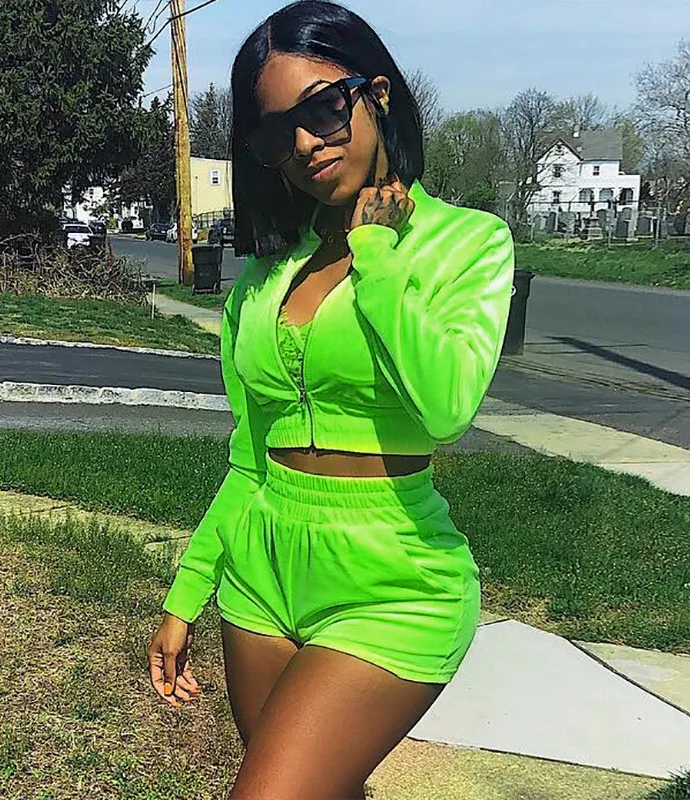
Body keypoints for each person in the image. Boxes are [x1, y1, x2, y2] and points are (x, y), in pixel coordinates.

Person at [148, 2, 514, 797]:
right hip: (261, 573)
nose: (307, 144)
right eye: (278, 135)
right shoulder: (265, 277)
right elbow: (251, 459)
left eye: (322, 110)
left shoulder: (468, 243)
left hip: (392, 582)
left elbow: (446, 407)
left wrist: (374, 252)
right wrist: (187, 592)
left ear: (376, 95)